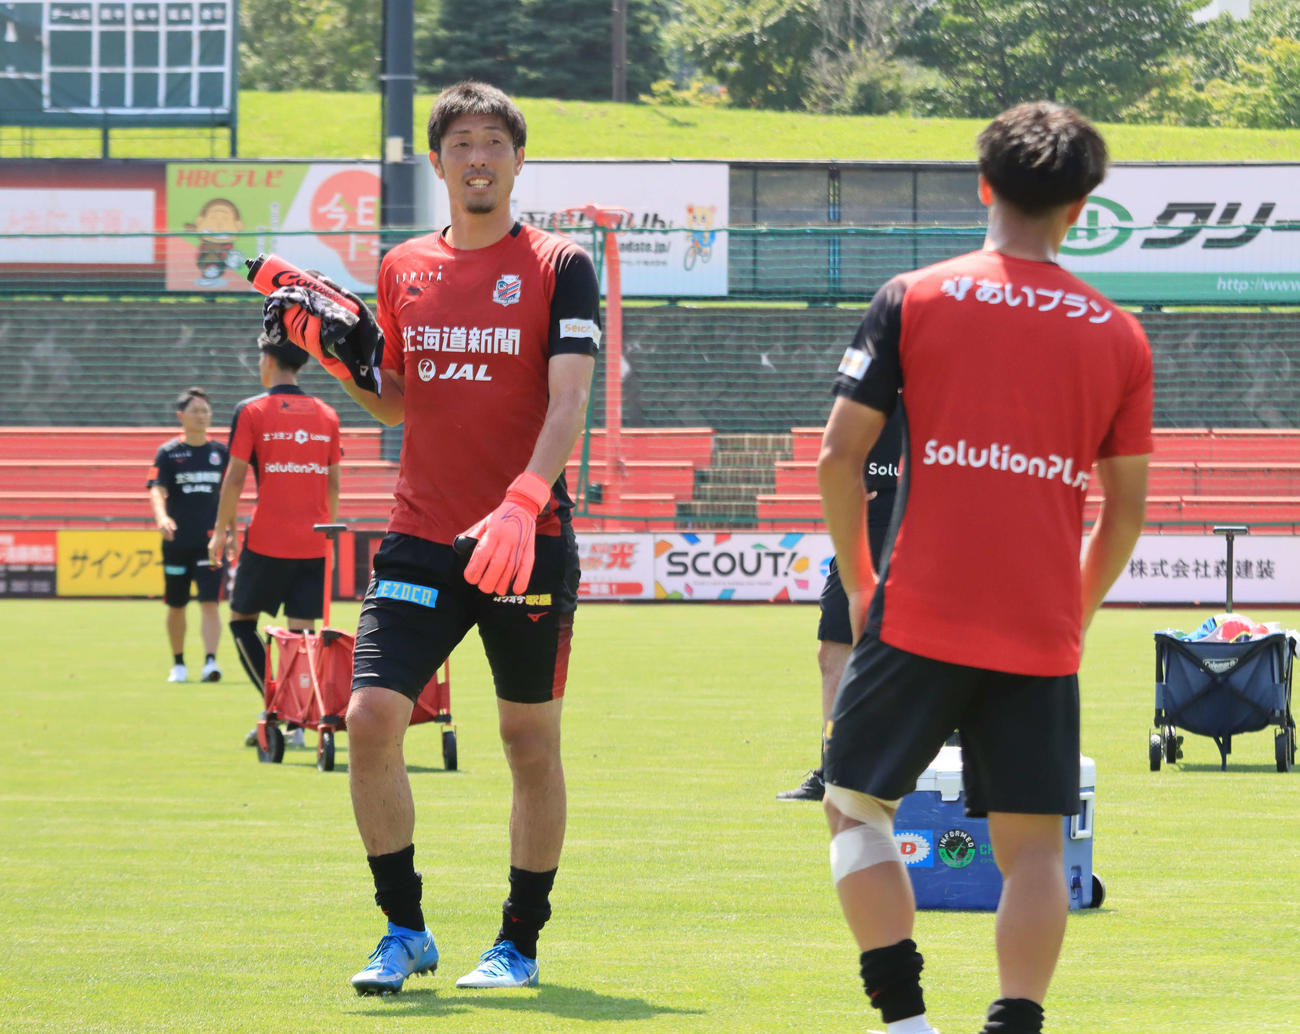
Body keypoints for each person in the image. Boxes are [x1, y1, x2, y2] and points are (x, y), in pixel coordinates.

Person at [817, 101, 1152, 1034]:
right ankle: (1015, 1025)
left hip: (915, 609)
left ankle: (907, 1023)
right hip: (1038, 628)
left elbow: (839, 459)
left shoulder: (915, 296)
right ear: (1081, 206)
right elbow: (1125, 509)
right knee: (1036, 848)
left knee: (854, 808)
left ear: (984, 185)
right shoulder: (1119, 335)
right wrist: (1071, 614)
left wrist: (858, 584)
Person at [258, 81, 600, 995]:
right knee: (370, 720)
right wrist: (338, 357)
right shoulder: (404, 264)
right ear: (438, 161)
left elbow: (569, 398)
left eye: (495, 143)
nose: (479, 157)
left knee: (528, 741)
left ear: (518, 161)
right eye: (462, 144)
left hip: (529, 537)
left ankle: (519, 943)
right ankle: (403, 930)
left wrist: (525, 502)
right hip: (421, 536)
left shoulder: (561, 263)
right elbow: (399, 400)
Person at [208, 337, 342, 748]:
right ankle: (296, 722)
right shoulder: (327, 414)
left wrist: (221, 531)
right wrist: (326, 535)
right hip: (315, 541)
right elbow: (333, 483)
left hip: (268, 539)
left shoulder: (252, 410)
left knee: (241, 621)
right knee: (302, 637)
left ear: (267, 361)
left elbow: (234, 477)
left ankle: (280, 710)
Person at [778, 412, 901, 801]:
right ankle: (837, 769)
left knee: (931, 646)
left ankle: (946, 754)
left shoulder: (941, 377)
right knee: (833, 650)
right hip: (864, 525)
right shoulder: (869, 374)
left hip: (923, 519)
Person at [147, 386, 229, 683]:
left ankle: (210, 662)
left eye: (206, 410)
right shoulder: (168, 453)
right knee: (176, 604)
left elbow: (229, 495)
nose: (202, 416)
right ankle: (178, 664)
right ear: (181, 416)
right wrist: (162, 517)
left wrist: (228, 531)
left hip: (210, 541)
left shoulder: (221, 453)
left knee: (210, 603)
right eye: (195, 410)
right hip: (177, 541)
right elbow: (156, 489)